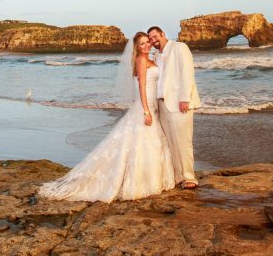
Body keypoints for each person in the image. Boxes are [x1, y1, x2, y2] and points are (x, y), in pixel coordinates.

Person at [38, 32, 176, 202]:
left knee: (147, 142)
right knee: (144, 142)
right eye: (142, 43)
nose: (147, 45)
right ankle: (141, 182)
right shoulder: (141, 60)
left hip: (152, 105)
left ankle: (151, 178)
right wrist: (146, 111)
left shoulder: (151, 59)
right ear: (137, 47)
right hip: (145, 106)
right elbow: (141, 87)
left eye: (148, 42)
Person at [148, 25, 201, 189]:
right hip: (162, 103)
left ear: (163, 33)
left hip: (179, 102)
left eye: (155, 36)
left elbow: (187, 73)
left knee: (183, 141)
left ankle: (189, 177)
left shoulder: (179, 47)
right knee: (171, 142)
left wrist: (185, 98)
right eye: (150, 39)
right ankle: (178, 176)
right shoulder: (156, 54)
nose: (153, 40)